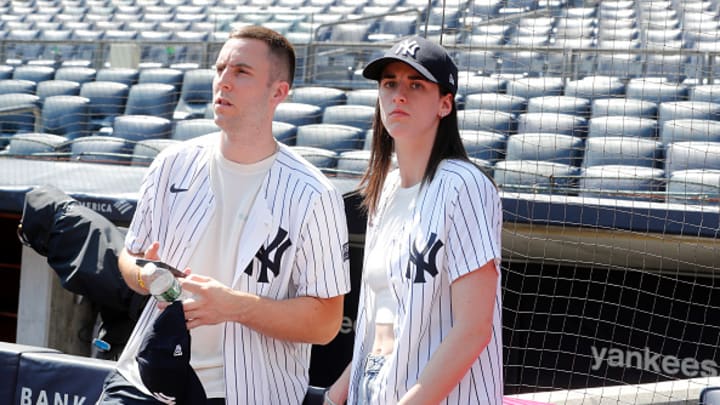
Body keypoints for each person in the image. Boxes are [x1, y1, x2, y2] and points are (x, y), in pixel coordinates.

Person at [97, 25, 351, 405]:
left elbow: (327, 323)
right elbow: (130, 257)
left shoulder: (314, 194)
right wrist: (146, 275)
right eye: (220, 70)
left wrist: (235, 306)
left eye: (241, 72)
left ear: (278, 92)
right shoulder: (172, 163)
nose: (224, 82)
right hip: (147, 375)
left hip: (247, 390)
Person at [323, 36, 504, 404]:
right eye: (389, 83)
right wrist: (336, 395)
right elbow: (382, 324)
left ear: (444, 104)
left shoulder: (464, 185)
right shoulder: (384, 189)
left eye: (415, 84)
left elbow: (473, 329)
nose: (398, 95)